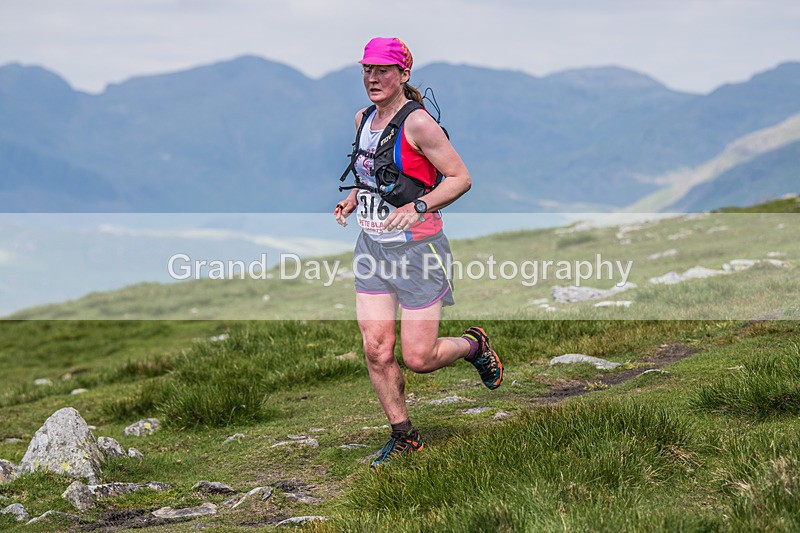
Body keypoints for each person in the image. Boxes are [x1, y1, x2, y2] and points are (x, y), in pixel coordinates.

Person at [334, 37, 503, 468]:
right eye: (367, 70)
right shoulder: (362, 119)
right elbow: (372, 169)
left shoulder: (419, 124)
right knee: (376, 348)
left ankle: (473, 345)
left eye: (383, 70)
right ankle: (404, 436)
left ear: (403, 75)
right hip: (372, 246)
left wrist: (418, 206)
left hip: (419, 250)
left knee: (419, 357)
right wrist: (354, 196)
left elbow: (460, 178)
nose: (373, 78)